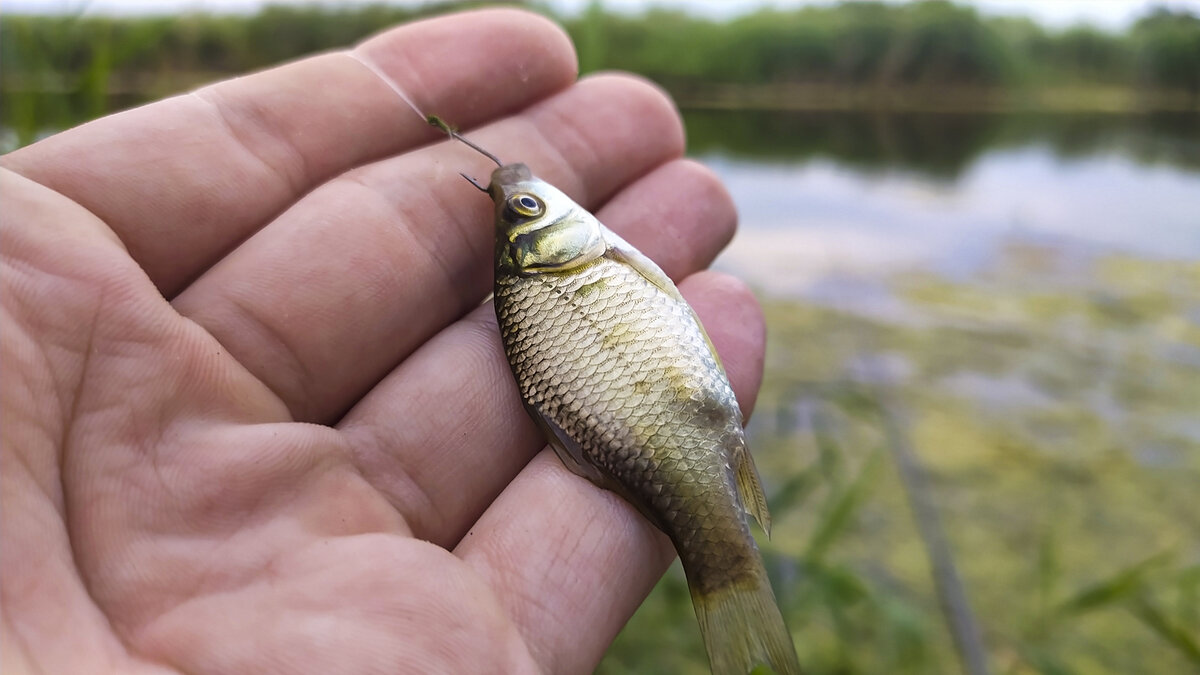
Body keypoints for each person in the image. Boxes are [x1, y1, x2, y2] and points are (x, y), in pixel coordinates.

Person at [0, 8, 764, 673]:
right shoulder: (568, 265)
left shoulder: (545, 276)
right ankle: (727, 574)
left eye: (519, 206)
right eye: (523, 206)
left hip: (643, 411)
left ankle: (726, 574)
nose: (516, 194)